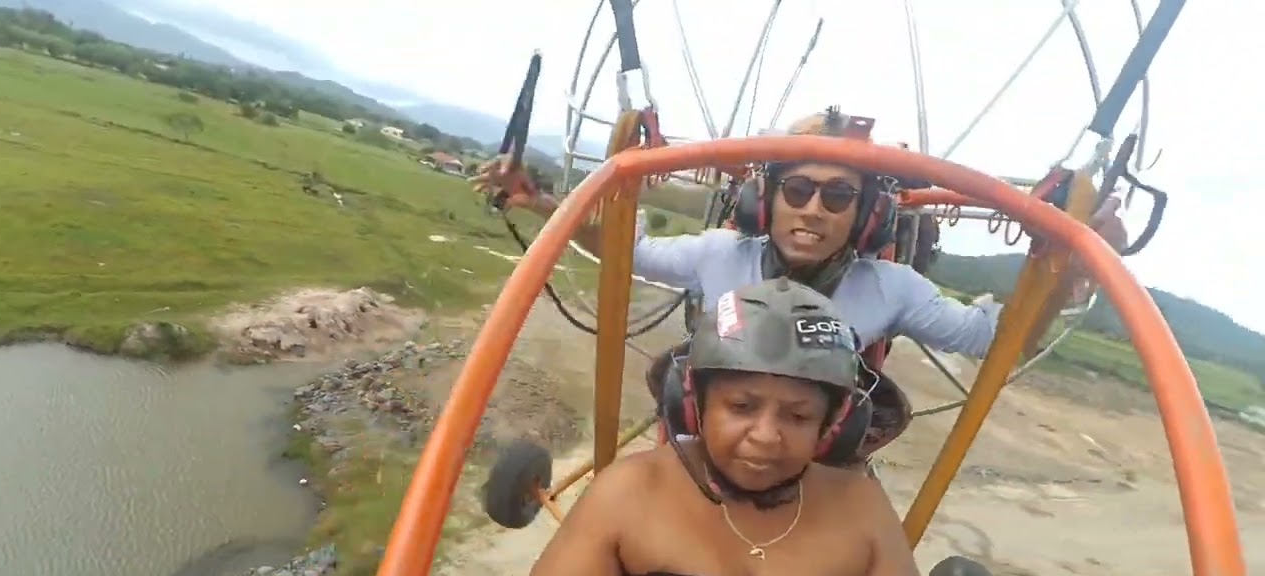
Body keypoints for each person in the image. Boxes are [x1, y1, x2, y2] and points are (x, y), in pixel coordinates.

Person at [514, 278, 942, 576]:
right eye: (741, 406)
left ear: (831, 424)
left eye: (797, 416)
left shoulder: (861, 507)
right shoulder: (631, 490)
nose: (766, 436)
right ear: (695, 403)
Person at [470, 106, 1129, 360]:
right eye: (799, 189)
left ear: (866, 216)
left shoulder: (890, 288)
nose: (814, 209)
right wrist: (539, 203)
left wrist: (1071, 273)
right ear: (767, 197)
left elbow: (996, 341)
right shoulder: (723, 255)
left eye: (838, 195)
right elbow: (628, 251)